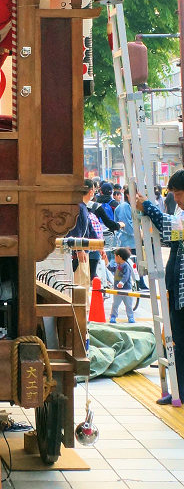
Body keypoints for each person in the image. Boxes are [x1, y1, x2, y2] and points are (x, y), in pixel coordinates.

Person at [135, 169, 184, 404]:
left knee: (181, 341)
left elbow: (172, 228)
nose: (176, 199)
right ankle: (179, 391)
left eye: (178, 194)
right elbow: (171, 235)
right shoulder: (181, 211)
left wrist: (148, 207)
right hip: (177, 287)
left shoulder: (181, 216)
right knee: (178, 341)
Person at [115, 188, 147, 289]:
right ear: (127, 195)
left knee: (134, 264)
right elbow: (127, 224)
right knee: (128, 264)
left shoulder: (131, 206)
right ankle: (136, 284)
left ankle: (139, 283)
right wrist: (139, 233)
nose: (136, 196)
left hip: (133, 241)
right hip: (126, 241)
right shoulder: (124, 206)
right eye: (134, 193)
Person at [108, 247, 135, 324]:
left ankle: (131, 317)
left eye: (115, 256)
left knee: (128, 305)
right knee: (115, 304)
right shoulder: (118, 265)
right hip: (117, 289)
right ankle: (113, 316)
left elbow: (126, 276)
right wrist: (106, 263)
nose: (115, 258)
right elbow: (112, 269)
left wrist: (122, 283)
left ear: (119, 257)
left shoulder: (126, 266)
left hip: (126, 289)